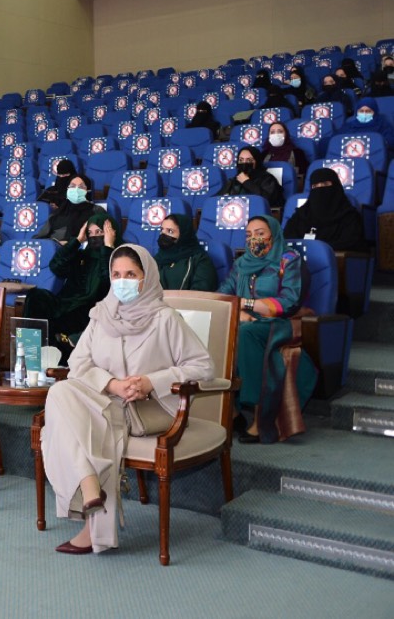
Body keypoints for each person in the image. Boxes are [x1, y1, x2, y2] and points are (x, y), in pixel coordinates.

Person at [42, 244, 213, 555]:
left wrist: (151, 381)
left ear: (147, 277)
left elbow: (203, 367)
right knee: (60, 393)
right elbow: (78, 363)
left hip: (147, 408)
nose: (122, 281)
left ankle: (91, 515)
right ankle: (89, 484)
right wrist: (112, 384)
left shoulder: (166, 319)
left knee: (74, 422)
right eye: (116, 274)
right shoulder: (101, 315)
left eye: (131, 275)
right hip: (107, 398)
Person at [218, 216, 315, 444]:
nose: (254, 239)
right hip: (244, 319)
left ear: (273, 234)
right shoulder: (242, 264)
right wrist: (239, 312)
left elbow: (289, 302)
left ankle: (260, 414)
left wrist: (246, 304)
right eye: (249, 235)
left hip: (281, 322)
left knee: (246, 333)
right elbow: (223, 294)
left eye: (260, 233)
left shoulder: (289, 260)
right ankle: (232, 411)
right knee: (218, 331)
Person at [23, 212, 117, 355]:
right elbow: (56, 266)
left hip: (91, 308)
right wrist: (77, 241)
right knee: (35, 297)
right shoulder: (83, 256)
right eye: (90, 233)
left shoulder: (118, 258)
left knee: (69, 318)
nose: (93, 237)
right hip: (68, 303)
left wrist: (108, 248)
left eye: (99, 232)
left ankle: (56, 355)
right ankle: (31, 354)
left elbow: (107, 284)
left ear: (111, 234)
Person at [283, 168, 367, 252]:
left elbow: (350, 243)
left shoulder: (349, 216)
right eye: (315, 186)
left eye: (325, 184)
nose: (320, 190)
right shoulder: (301, 215)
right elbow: (287, 239)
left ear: (336, 187)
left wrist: (319, 250)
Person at [152, 214, 218, 291]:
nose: (163, 234)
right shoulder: (156, 259)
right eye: (161, 230)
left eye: (170, 231)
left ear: (184, 235)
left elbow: (201, 292)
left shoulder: (200, 260)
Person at [34, 174, 103, 244]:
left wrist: (71, 244)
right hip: (55, 248)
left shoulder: (96, 210)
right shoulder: (58, 212)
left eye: (81, 187)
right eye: (72, 186)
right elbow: (40, 238)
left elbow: (103, 237)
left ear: (88, 190)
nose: (76, 190)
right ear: (67, 189)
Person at [218, 145, 283, 208]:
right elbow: (217, 201)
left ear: (257, 162)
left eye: (249, 160)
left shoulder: (267, 179)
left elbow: (269, 201)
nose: (244, 163)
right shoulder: (233, 181)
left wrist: (247, 182)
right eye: (241, 160)